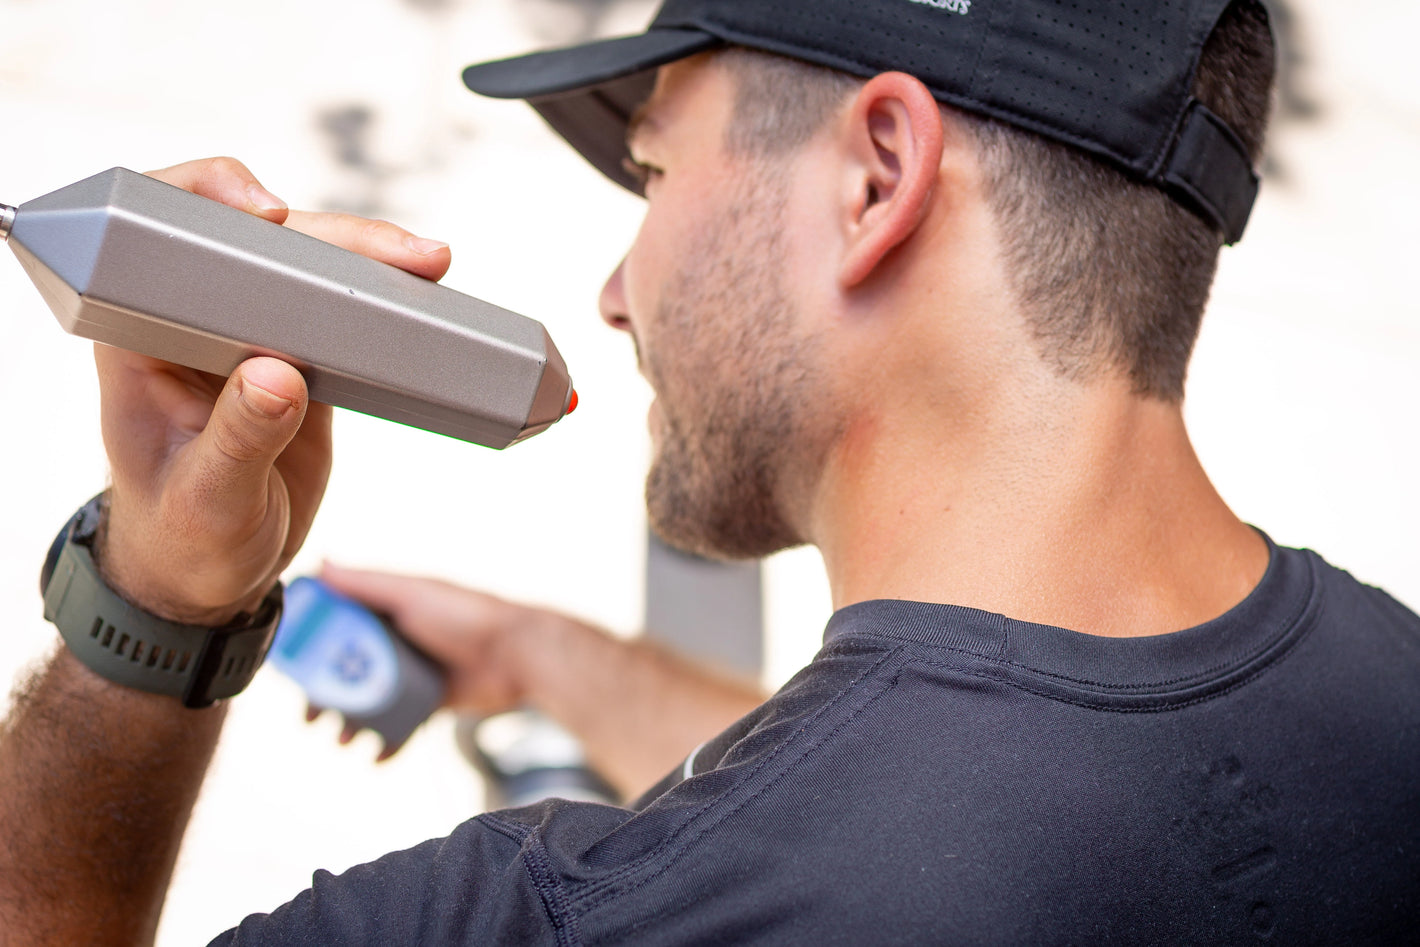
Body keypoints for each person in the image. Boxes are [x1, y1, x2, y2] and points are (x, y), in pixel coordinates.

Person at [1, 0, 1417, 943]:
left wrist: (159, 605)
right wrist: (542, 655)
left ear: (877, 176)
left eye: (661, 177)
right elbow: (983, 775)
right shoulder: (1389, 699)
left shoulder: (589, 916)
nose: (618, 293)